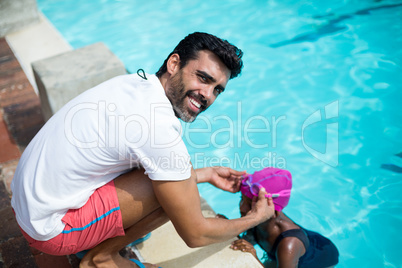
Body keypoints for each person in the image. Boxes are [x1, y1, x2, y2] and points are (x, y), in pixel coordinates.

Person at [11, 32, 275, 268]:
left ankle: (103, 236)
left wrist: (206, 173)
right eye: (202, 78)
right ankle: (100, 258)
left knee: (172, 177)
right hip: (50, 229)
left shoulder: (137, 84)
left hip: (30, 202)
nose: (207, 95)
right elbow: (195, 233)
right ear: (174, 64)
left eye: (217, 89)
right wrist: (255, 217)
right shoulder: (157, 128)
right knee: (176, 196)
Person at [227, 167, 339, 268]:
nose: (242, 207)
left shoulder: (289, 244)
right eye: (241, 199)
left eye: (251, 203)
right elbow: (246, 241)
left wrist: (254, 257)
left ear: (274, 211)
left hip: (322, 257)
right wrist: (227, 227)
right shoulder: (257, 219)